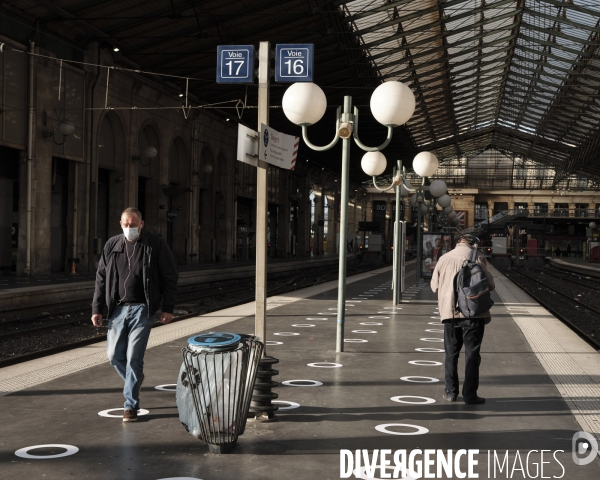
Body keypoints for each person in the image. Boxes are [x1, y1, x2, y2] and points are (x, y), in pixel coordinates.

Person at [92, 207, 178, 422]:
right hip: (118, 309)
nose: (129, 228)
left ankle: (131, 405)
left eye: (133, 224)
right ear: (120, 224)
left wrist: (168, 308)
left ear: (142, 224)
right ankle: (135, 378)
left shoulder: (155, 244)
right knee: (114, 357)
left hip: (142, 309)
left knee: (133, 357)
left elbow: (170, 276)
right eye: (125, 224)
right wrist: (97, 308)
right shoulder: (112, 245)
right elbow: (101, 277)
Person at [430, 234, 495, 405]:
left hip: (450, 314)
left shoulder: (444, 258)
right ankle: (470, 395)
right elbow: (490, 284)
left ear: (458, 243)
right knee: (472, 355)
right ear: (473, 244)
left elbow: (434, 286)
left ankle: (450, 392)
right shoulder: (477, 256)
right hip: (473, 313)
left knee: (451, 354)